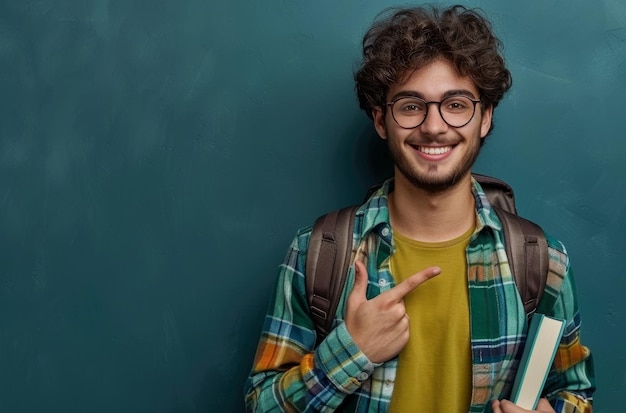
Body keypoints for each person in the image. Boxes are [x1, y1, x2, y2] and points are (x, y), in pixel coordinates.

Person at [244, 4, 595, 412]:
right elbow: (259, 406)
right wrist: (350, 353)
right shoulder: (315, 254)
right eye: (411, 105)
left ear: (484, 118)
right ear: (380, 120)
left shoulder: (543, 262)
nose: (433, 126)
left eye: (456, 104)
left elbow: (575, 395)